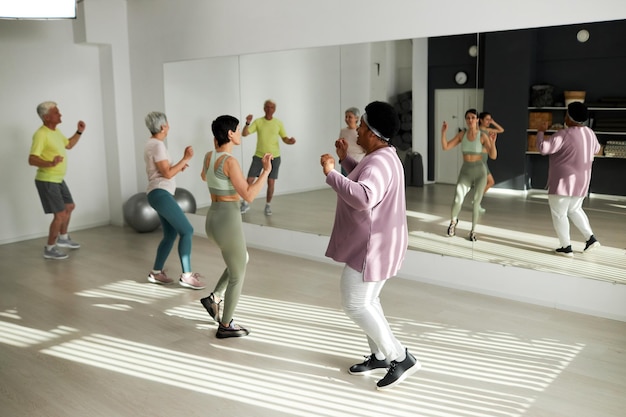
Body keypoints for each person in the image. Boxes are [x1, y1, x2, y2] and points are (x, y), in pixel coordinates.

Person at [320, 101, 421, 391]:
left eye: (362, 128)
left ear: (374, 134)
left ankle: (399, 357)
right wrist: (345, 160)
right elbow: (368, 179)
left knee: (354, 302)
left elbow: (365, 196)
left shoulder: (378, 160)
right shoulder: (385, 155)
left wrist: (331, 174)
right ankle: (379, 355)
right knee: (368, 301)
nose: (357, 133)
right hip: (383, 242)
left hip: (373, 247)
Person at [199, 115, 273, 338]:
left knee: (241, 260)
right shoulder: (230, 161)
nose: (240, 134)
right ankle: (225, 325)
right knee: (237, 274)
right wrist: (266, 172)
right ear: (230, 134)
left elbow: (205, 177)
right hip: (227, 221)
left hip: (212, 219)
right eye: (238, 130)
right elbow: (249, 196)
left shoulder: (209, 156)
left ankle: (214, 298)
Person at [143, 111, 205, 290]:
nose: (169, 126)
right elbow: (167, 173)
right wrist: (185, 158)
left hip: (159, 193)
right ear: (163, 127)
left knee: (170, 235)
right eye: (167, 123)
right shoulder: (157, 145)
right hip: (160, 192)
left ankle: (156, 273)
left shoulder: (151, 144)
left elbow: (166, 170)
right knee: (187, 230)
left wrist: (179, 166)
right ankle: (187, 276)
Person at [536, 102, 601, 257]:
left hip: (562, 183)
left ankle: (566, 247)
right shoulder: (590, 133)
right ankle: (590, 239)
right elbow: (597, 149)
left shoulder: (562, 135)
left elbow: (543, 148)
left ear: (569, 117)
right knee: (575, 209)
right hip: (582, 182)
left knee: (559, 214)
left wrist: (540, 132)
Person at [28, 101, 85, 260]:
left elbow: (69, 145)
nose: (60, 115)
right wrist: (50, 163)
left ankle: (63, 238)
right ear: (46, 117)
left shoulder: (55, 132)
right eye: (56, 113)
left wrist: (79, 132)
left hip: (58, 179)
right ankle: (50, 248)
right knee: (59, 214)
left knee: (69, 206)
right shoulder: (41, 134)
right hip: (47, 180)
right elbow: (32, 159)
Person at [441, 108, 497, 241]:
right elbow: (446, 147)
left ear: (477, 120)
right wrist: (443, 133)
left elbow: (493, 155)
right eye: (468, 118)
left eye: (473, 117)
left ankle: (473, 231)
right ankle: (453, 223)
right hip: (465, 171)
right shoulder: (462, 135)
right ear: (466, 120)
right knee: (457, 199)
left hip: (479, 171)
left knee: (476, 203)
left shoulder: (482, 136)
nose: (470, 120)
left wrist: (493, 143)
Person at [241, 99, 296, 216]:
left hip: (274, 157)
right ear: (264, 108)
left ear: (274, 110)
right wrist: (247, 123)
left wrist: (290, 141)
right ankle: (245, 203)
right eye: (267, 107)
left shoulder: (278, 123)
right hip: (259, 156)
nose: (269, 109)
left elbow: (285, 138)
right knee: (250, 180)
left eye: (271, 107)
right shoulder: (258, 122)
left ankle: (268, 205)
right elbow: (244, 134)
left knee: (271, 182)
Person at [478, 111, 504, 211]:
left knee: (489, 182)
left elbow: (501, 130)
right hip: (480, 161)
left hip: (484, 161)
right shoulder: (478, 132)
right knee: (489, 182)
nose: (489, 121)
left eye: (490, 119)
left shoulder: (488, 130)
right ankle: (477, 202)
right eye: (487, 119)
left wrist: (493, 122)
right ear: (481, 120)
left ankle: (477, 201)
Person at [338, 107, 365, 175]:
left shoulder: (361, 131)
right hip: (345, 160)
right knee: (345, 182)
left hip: (358, 161)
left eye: (350, 117)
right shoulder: (343, 131)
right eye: (346, 117)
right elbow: (340, 146)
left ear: (356, 118)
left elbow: (366, 148)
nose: (347, 119)